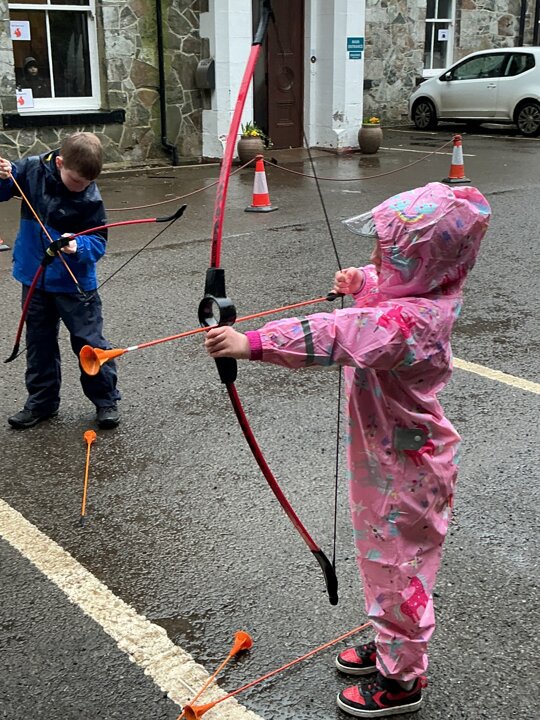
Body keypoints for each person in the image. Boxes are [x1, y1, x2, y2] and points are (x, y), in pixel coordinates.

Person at [204, 182, 491, 717]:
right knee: (384, 563)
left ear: (419, 262)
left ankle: (402, 680)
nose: (377, 258)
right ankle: (391, 645)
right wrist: (363, 282)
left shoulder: (411, 322)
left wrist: (254, 343)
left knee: (397, 568)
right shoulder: (427, 292)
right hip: (397, 456)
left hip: (408, 468)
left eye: (387, 252)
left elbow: (342, 334)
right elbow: (385, 296)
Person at [0, 131, 121, 430]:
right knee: (38, 342)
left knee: (89, 343)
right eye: (76, 181)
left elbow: (98, 243)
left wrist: (78, 245)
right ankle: (41, 403)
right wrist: (3, 176)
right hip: (34, 276)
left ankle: (105, 400)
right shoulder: (31, 169)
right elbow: (4, 190)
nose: (82, 187)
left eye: (88, 183)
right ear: (59, 162)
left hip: (74, 283)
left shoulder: (90, 197)